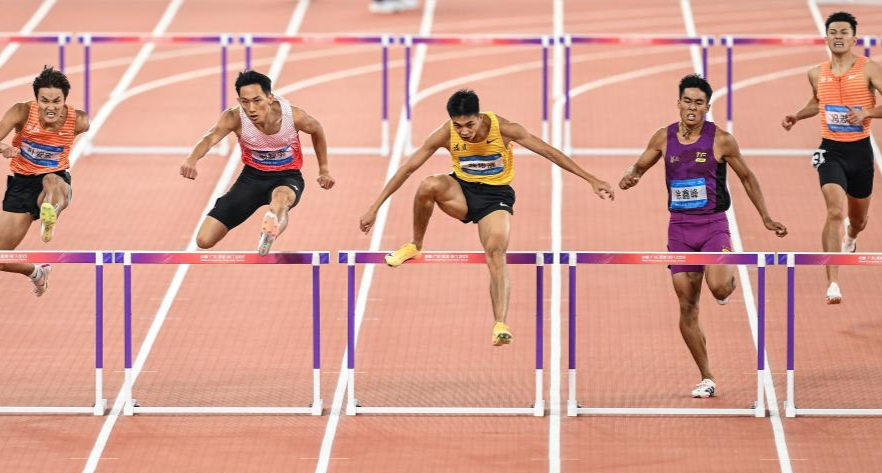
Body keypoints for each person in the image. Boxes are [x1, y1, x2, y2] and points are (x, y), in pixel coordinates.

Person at [360, 89, 614, 346]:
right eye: (458, 126)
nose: (464, 132)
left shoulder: (505, 129)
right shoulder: (445, 133)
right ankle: (415, 245)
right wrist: (375, 207)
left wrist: (591, 179)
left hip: (495, 198)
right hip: (461, 191)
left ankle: (500, 325)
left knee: (495, 251)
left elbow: (549, 152)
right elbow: (408, 168)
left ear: (479, 117)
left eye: (469, 124)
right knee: (428, 185)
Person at [619, 74, 787, 398]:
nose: (692, 108)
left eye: (699, 103)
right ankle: (707, 376)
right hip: (679, 228)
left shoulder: (721, 140)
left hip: (712, 225)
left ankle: (727, 284)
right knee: (687, 306)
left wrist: (765, 216)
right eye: (687, 101)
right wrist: (632, 176)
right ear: (678, 103)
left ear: (707, 107)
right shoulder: (662, 138)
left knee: (719, 286)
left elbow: (748, 178)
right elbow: (639, 166)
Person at [782, 11, 882, 304]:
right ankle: (833, 284)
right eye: (833, 32)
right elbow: (818, 101)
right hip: (830, 150)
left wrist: (868, 112)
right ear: (825, 37)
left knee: (858, 220)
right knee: (834, 211)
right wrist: (797, 116)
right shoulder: (816, 72)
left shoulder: (869, 69)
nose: (838, 37)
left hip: (860, 152)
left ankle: (851, 237)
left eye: (844, 32)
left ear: (853, 38)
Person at [181, 70, 334, 255]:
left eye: (257, 100)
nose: (251, 108)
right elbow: (209, 138)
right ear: (239, 101)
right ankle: (270, 223)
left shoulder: (293, 117)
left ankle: (270, 233)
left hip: (286, 177)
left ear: (270, 98)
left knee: (281, 202)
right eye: (245, 102)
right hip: (251, 178)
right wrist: (192, 159)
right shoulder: (234, 117)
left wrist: (324, 169)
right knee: (204, 240)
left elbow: (317, 130)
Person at [0, 66, 90, 296]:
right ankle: (36, 272)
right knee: (1, 256)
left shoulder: (78, 120)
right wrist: (3, 147)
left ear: (65, 100)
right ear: (36, 99)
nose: (50, 107)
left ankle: (50, 213)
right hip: (21, 184)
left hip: (55, 180)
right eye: (45, 101)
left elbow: (72, 133)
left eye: (56, 101)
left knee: (51, 181)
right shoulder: (20, 112)